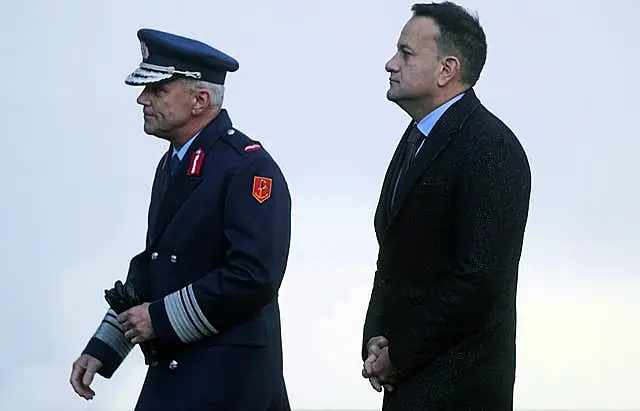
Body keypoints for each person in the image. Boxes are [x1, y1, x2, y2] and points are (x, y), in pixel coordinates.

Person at [69, 28, 292, 411]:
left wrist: (158, 319)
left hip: (230, 381)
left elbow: (254, 276)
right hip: (180, 372)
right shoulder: (174, 163)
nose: (142, 99)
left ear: (200, 100)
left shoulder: (249, 167)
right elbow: (154, 264)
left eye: (156, 90)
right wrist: (105, 347)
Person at [360, 2, 531, 410]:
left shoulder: (492, 149)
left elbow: (478, 282)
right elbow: (395, 262)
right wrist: (376, 336)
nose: (390, 64)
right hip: (408, 387)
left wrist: (398, 357)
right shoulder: (415, 140)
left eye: (406, 53)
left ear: (446, 69)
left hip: (460, 393)